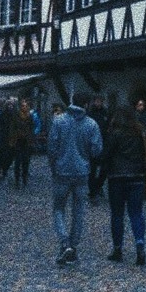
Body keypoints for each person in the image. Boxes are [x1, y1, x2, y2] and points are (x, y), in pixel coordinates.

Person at [47, 90, 103, 266]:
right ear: (86, 104)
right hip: (81, 172)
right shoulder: (91, 124)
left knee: (58, 209)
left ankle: (64, 243)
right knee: (78, 210)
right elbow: (97, 150)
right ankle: (73, 245)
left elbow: (51, 147)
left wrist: (54, 166)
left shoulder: (58, 120)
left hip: (62, 172)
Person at [101, 106, 146, 266]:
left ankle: (118, 248)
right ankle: (140, 245)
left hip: (117, 177)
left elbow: (105, 155)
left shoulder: (114, 134)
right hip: (137, 176)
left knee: (117, 214)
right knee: (136, 214)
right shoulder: (139, 133)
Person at [87, 94, 110, 203]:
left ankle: (98, 185)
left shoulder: (106, 113)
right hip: (92, 145)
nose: (99, 103)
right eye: (97, 101)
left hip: (104, 143)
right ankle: (93, 192)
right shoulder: (89, 114)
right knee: (92, 170)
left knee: (105, 169)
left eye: (100, 101)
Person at [9, 99, 35, 188]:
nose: (24, 107)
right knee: (17, 161)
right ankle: (17, 179)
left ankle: (24, 178)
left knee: (26, 161)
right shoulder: (16, 116)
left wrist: (31, 139)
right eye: (23, 106)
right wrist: (12, 139)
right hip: (18, 141)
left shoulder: (30, 116)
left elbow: (32, 128)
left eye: (26, 106)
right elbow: (12, 128)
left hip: (26, 141)